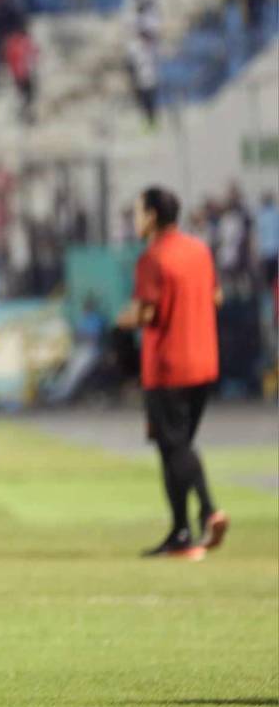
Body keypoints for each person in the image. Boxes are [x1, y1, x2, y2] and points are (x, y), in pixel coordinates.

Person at [117, 186, 228, 560]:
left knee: (175, 446)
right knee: (174, 447)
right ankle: (181, 534)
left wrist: (122, 321)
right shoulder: (199, 251)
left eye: (137, 212)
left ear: (151, 216)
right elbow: (216, 298)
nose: (135, 220)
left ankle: (209, 511)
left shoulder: (153, 258)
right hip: (204, 363)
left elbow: (147, 313)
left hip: (168, 366)